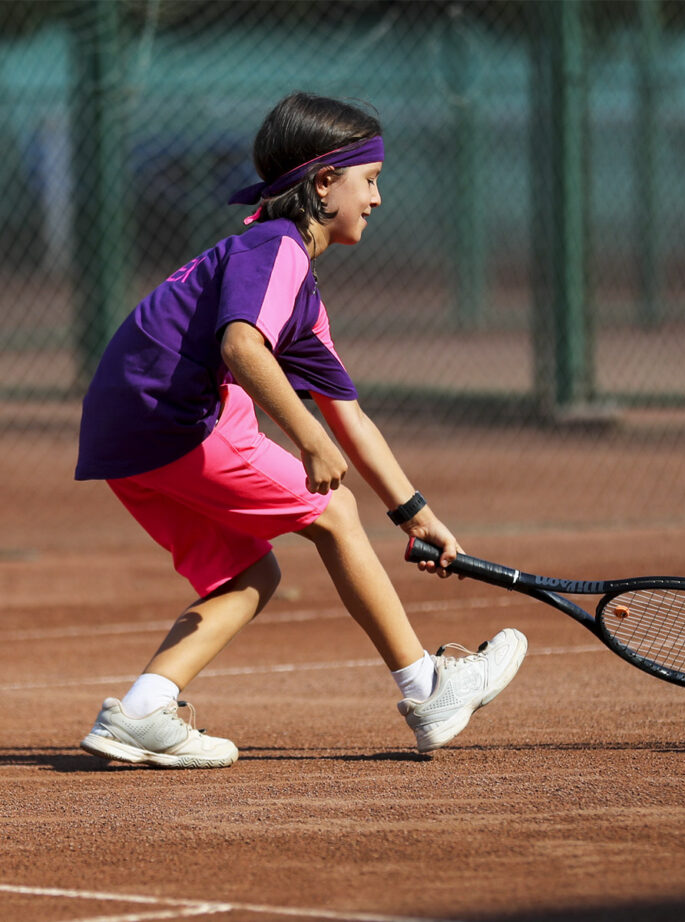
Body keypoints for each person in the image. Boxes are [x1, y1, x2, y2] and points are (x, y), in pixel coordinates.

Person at [75, 91, 527, 768]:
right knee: (336, 513)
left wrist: (414, 513)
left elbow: (350, 418)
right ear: (323, 184)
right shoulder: (275, 247)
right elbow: (241, 346)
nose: (376, 199)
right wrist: (309, 440)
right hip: (169, 420)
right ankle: (428, 687)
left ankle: (140, 711)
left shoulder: (293, 286)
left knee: (248, 573)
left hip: (121, 434)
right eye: (368, 181)